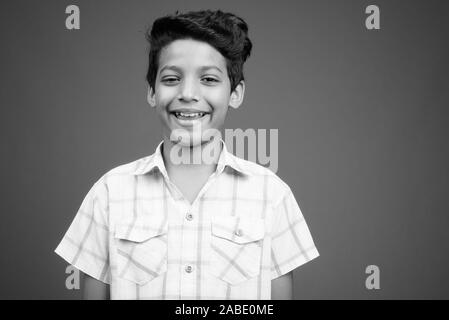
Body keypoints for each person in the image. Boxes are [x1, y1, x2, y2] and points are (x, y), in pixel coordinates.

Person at [54, 9, 319, 300]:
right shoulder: (108, 193)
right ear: (152, 92)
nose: (188, 93)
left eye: (208, 79)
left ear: (236, 93)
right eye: (171, 79)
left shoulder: (272, 195)